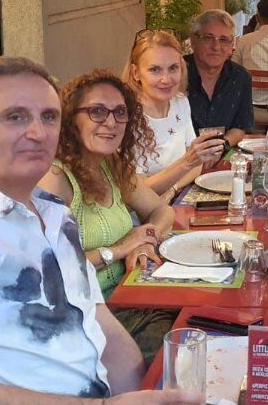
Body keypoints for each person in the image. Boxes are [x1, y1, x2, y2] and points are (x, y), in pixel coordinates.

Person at [0, 57, 201, 403]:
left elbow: (102, 329)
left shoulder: (54, 215)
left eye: (48, 117)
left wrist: (144, 394)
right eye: (15, 117)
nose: (37, 132)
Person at [38, 70, 177, 362]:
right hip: (89, 316)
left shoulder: (109, 164)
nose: (111, 122)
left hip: (133, 296)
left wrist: (146, 241)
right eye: (97, 112)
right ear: (71, 118)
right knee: (180, 352)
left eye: (119, 112)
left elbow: (162, 210)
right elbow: (50, 272)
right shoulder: (56, 178)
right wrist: (118, 250)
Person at [124, 30, 225, 197]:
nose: (166, 79)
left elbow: (196, 164)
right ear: (136, 73)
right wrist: (187, 162)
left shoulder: (180, 102)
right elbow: (136, 192)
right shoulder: (125, 116)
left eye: (173, 68)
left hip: (176, 199)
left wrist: (172, 189)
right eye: (155, 70)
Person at [185, 10, 253, 147]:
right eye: (208, 38)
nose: (216, 47)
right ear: (193, 41)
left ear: (231, 46)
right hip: (181, 157)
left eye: (223, 40)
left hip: (222, 153)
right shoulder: (176, 74)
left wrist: (221, 147)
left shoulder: (240, 77)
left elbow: (240, 127)